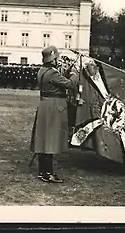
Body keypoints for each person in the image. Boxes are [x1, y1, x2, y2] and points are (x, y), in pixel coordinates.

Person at [30, 46, 79, 183]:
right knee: (50, 140)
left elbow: (58, 80)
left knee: (44, 139)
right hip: (53, 107)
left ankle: (42, 171)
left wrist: (67, 71)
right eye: (57, 58)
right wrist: (74, 73)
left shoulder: (43, 70)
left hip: (45, 105)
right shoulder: (52, 73)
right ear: (52, 60)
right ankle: (48, 173)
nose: (58, 61)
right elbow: (70, 84)